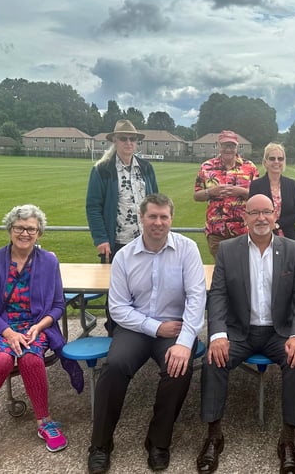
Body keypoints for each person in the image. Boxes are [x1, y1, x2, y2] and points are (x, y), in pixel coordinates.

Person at [0, 204, 83, 462]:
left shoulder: (49, 261)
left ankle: (44, 421)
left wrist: (40, 326)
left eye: (31, 229)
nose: (25, 233)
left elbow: (57, 305)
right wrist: (9, 333)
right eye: (19, 227)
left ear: (39, 233)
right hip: (0, 327)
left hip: (35, 327)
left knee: (31, 359)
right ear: (10, 229)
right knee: (0, 360)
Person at [87, 194, 206, 473]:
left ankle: (158, 442)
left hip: (174, 328)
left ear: (171, 219)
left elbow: (196, 299)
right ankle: (101, 444)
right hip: (136, 328)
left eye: (164, 217)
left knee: (179, 368)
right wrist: (154, 327)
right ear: (141, 218)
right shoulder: (124, 256)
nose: (158, 222)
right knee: (114, 366)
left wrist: (184, 343)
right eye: (152, 216)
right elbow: (117, 308)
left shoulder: (188, 249)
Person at [197, 194, 295, 474]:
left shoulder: (293, 250)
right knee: (213, 361)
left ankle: (288, 439)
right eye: (254, 212)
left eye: (266, 212)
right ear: (245, 217)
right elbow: (219, 295)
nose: (261, 218)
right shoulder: (227, 250)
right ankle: (214, 435)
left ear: (275, 216)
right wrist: (218, 335)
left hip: (278, 333)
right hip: (239, 332)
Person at [86, 119, 159, 263]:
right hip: (117, 244)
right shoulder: (102, 170)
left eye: (132, 139)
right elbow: (93, 207)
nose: (128, 142)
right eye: (123, 138)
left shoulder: (146, 168)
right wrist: (101, 239)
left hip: (145, 241)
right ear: (115, 140)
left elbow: (156, 202)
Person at [193, 130, 259, 257]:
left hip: (242, 230)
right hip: (216, 231)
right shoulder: (206, 167)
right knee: (221, 269)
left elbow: (258, 197)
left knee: (243, 269)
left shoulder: (249, 167)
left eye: (232, 146)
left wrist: (241, 192)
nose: (228, 149)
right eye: (225, 145)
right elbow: (196, 196)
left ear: (237, 147)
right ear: (218, 145)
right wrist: (210, 192)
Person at [248, 142, 295, 239]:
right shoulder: (256, 185)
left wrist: (276, 225)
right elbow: (252, 212)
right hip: (262, 237)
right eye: (272, 158)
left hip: (288, 237)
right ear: (265, 162)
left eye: (280, 159)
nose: (276, 161)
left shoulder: (292, 185)